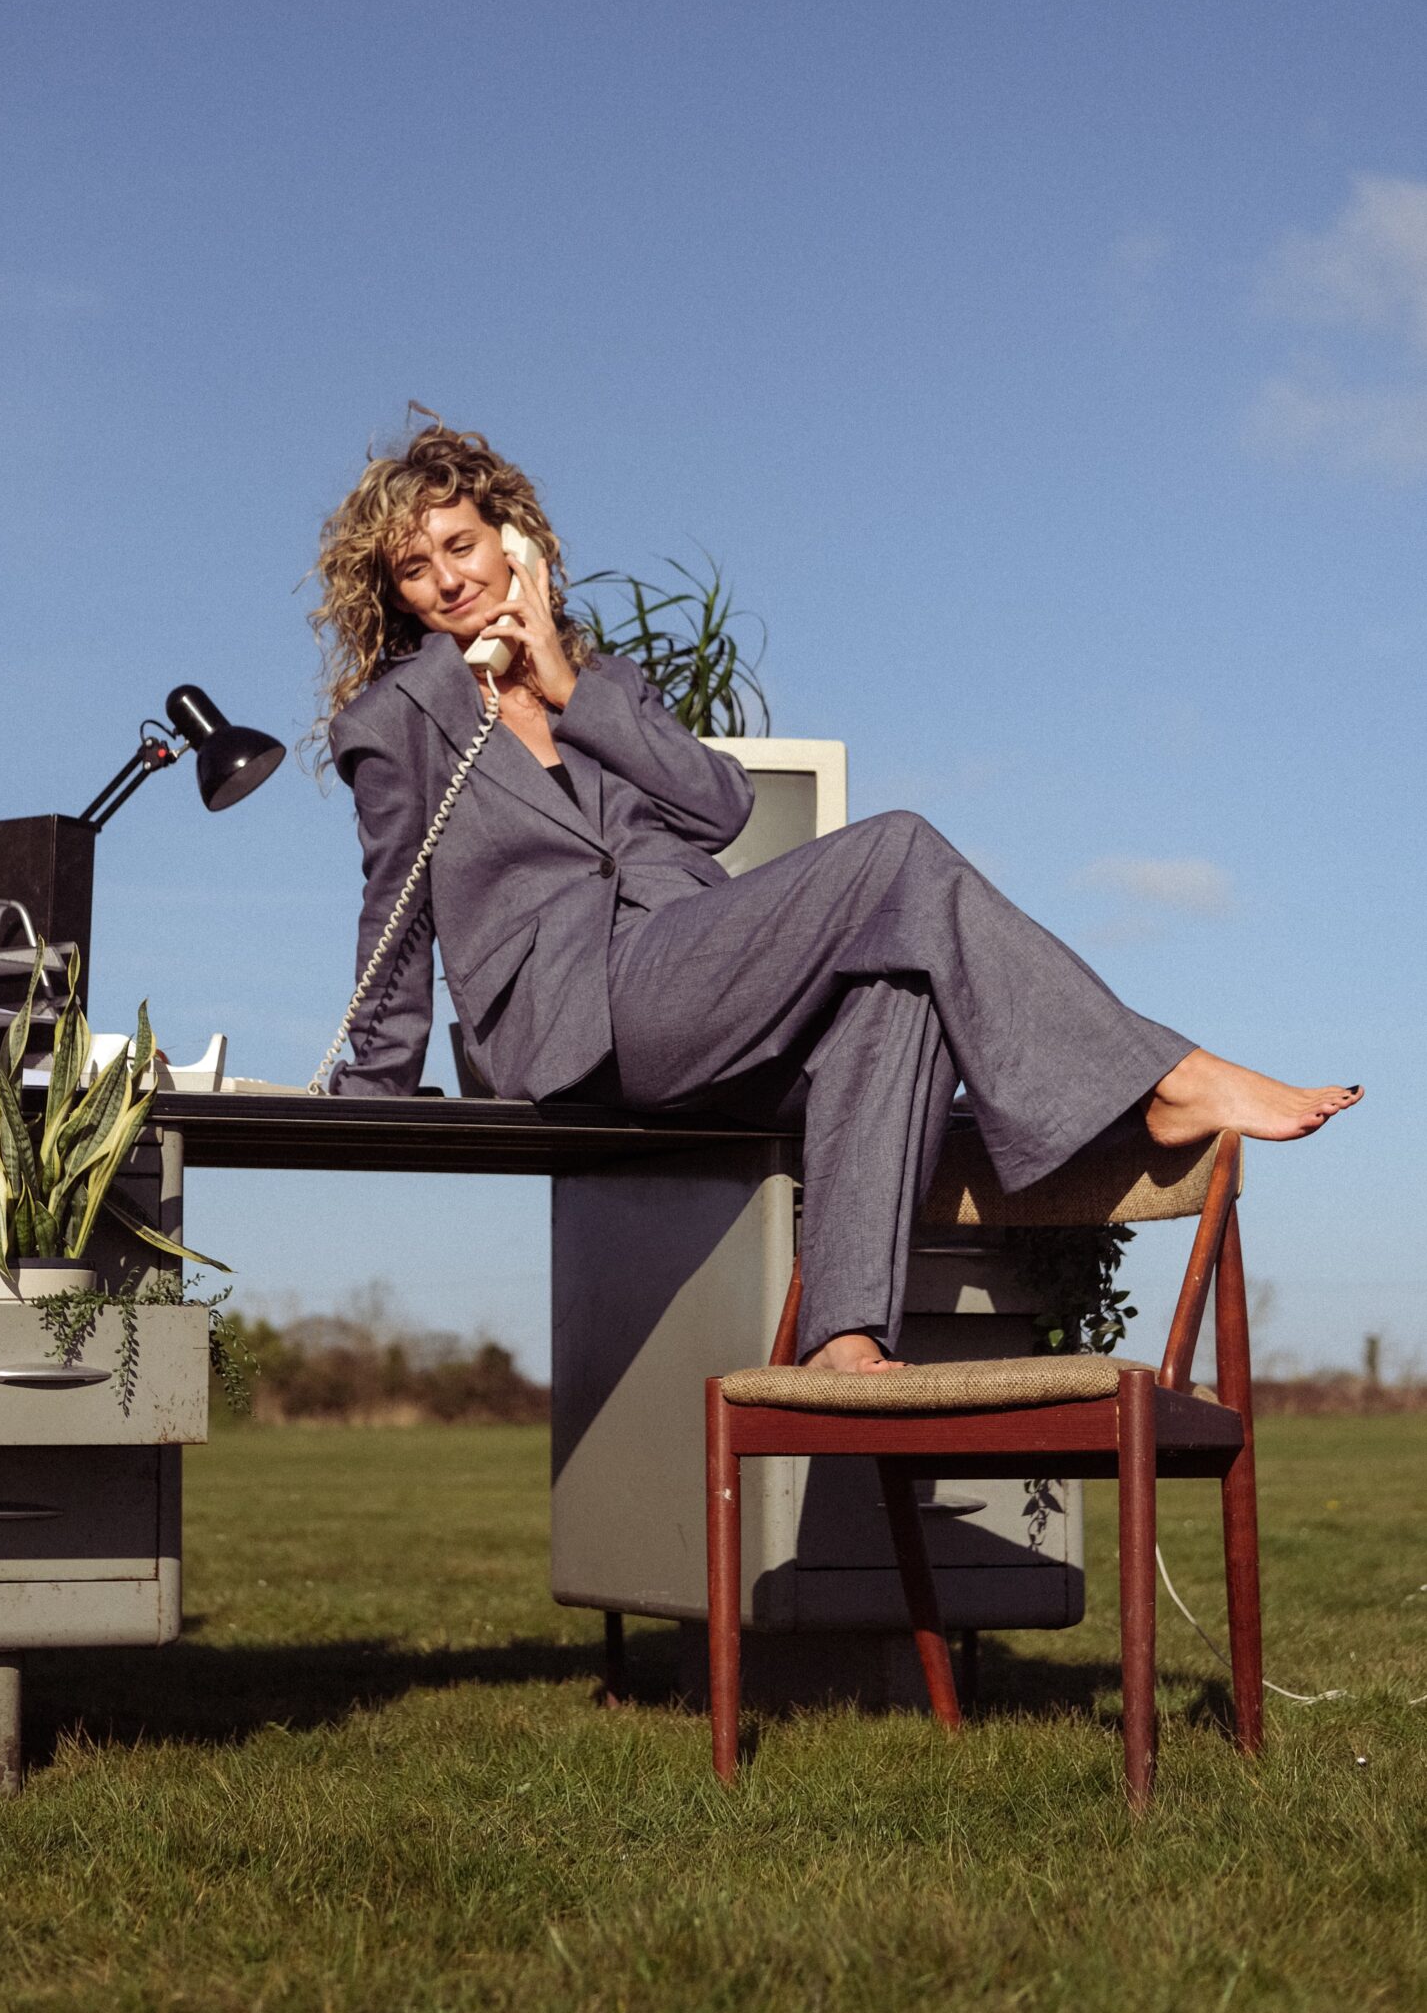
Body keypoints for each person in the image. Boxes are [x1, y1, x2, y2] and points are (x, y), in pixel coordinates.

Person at [310, 421, 1361, 1375]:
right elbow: (395, 911)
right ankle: (1162, 1075)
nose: (448, 580)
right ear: (394, 594)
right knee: (897, 849)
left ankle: (845, 1338)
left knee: (898, 992)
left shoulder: (607, 685)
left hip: (683, 984)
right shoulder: (398, 720)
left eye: (461, 545)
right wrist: (376, 1082)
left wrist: (572, 690)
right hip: (568, 1018)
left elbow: (718, 805)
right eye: (415, 566)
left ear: (513, 542)